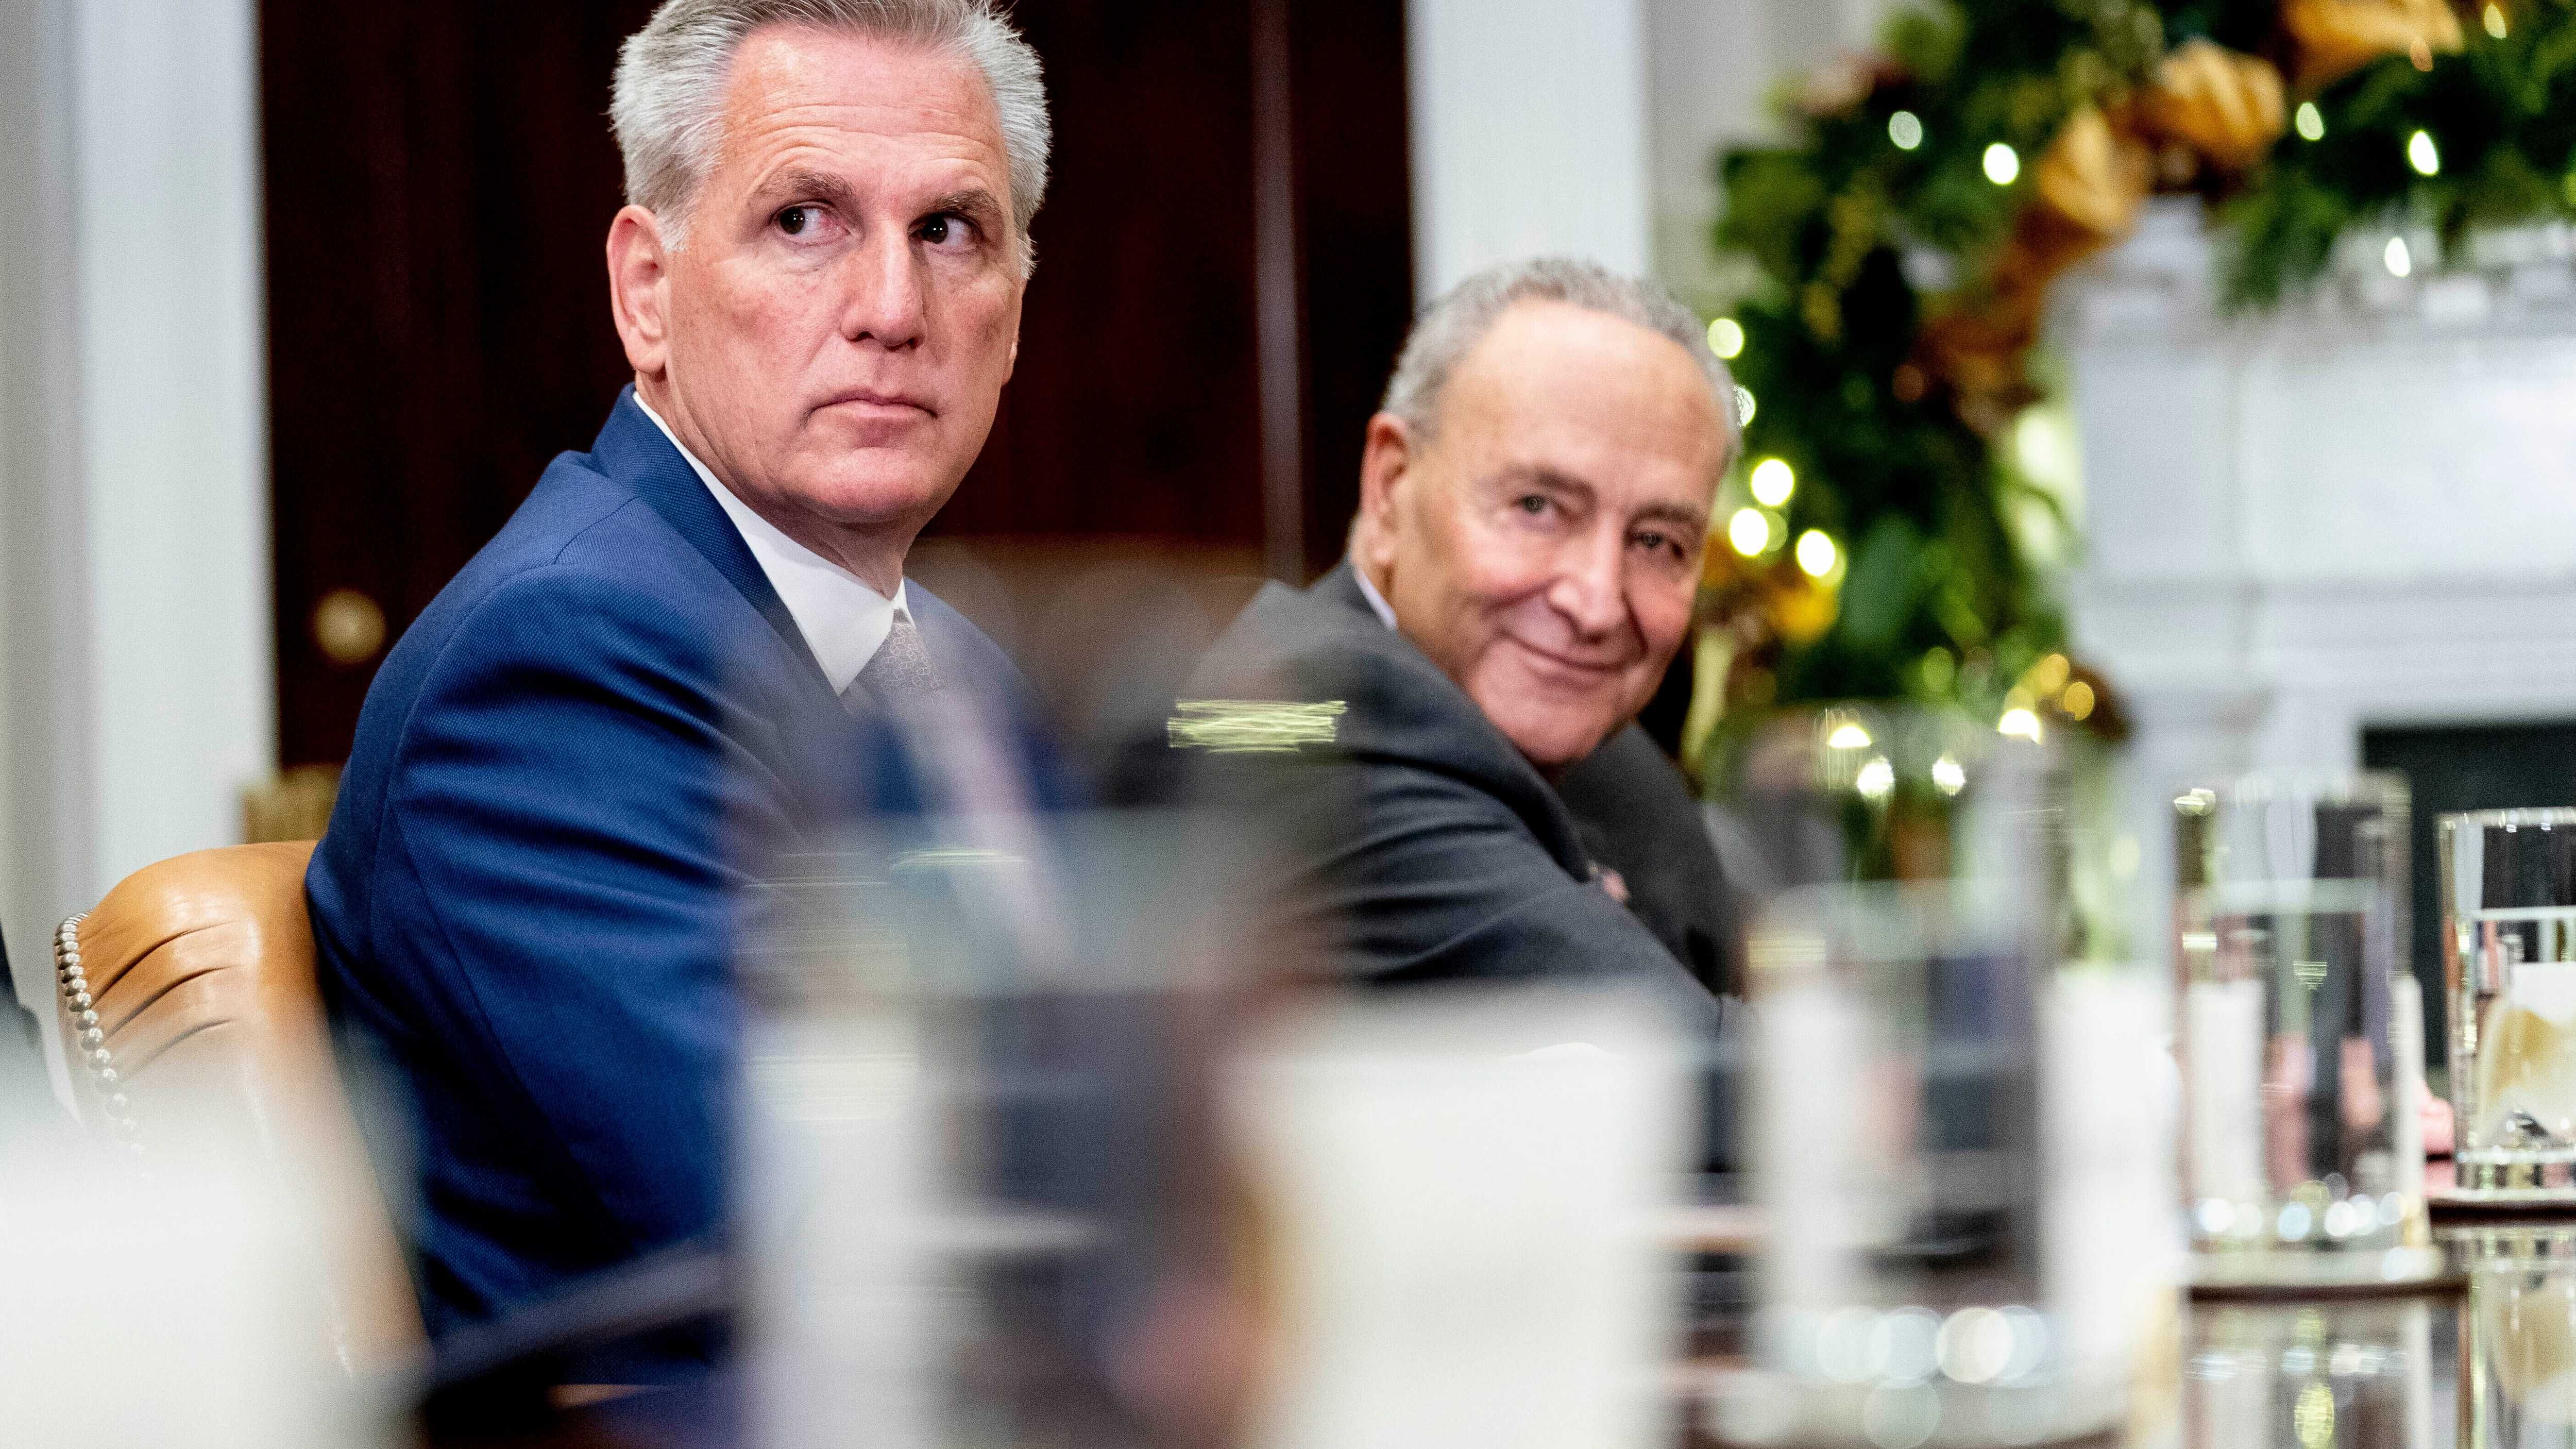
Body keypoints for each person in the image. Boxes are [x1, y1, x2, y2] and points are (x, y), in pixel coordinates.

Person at [306, 0, 1049, 1376]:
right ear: (646, 290)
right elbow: (838, 1225)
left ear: (1015, 315)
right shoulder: (549, 664)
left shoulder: (964, 673)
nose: (893, 310)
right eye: (804, 221)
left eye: (950, 230)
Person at [1184, 258, 1740, 1009]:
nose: (1598, 605)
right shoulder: (1279, 721)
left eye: (1656, 542)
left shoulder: (1627, 775)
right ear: (1390, 488)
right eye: (1538, 507)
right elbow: (1691, 1055)